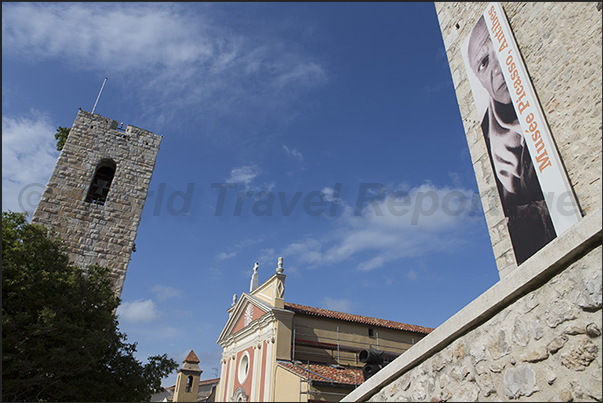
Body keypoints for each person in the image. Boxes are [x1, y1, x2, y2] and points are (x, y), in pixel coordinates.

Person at [467, 15, 555, 265]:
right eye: (484, 62)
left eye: (498, 51)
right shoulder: (486, 137)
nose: (497, 68)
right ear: (478, 77)